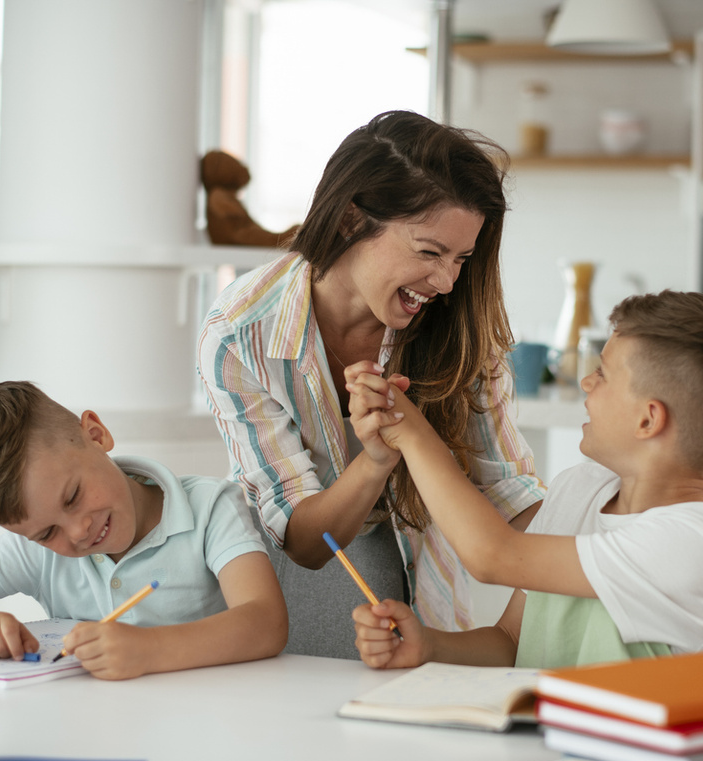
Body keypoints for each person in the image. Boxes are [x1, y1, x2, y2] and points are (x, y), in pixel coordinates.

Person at [197, 110, 545, 659]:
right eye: (429, 252)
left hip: (419, 583)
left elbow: (508, 491)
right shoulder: (240, 332)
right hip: (285, 577)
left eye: (461, 258)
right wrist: (378, 458)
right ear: (349, 221)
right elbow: (305, 542)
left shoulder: (462, 331)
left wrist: (598, 536)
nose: (447, 282)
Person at [348, 290, 703, 669]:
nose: (587, 381)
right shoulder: (579, 488)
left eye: (603, 374)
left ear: (648, 419)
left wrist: (410, 430)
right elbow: (511, 641)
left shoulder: (691, 546)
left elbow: (491, 556)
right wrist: (429, 646)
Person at [0, 381, 288, 680]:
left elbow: (266, 623)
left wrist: (148, 650)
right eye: (47, 533)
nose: (78, 531)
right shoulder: (35, 551)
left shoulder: (211, 508)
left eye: (73, 496)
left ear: (96, 436)